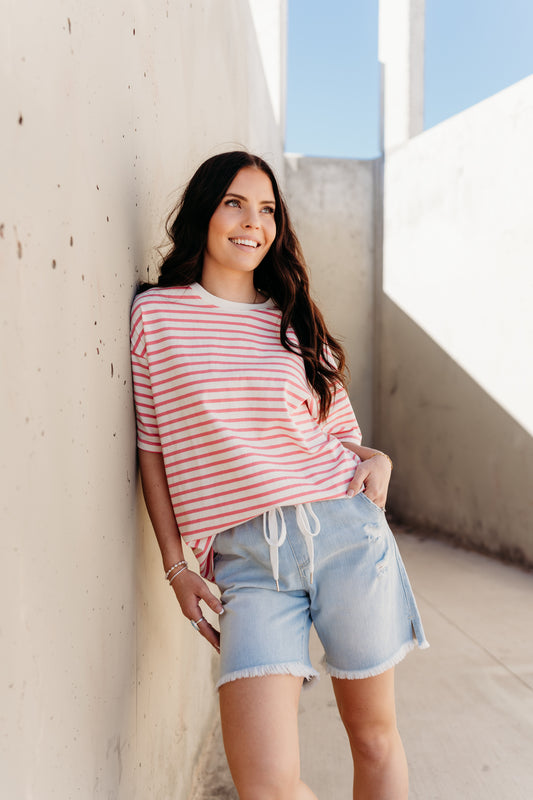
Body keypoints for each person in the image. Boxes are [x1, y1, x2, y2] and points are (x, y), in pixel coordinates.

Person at [130, 150, 428, 800]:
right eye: (234, 203)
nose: (252, 222)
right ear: (204, 212)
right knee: (264, 783)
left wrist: (378, 459)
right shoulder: (157, 316)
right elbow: (152, 449)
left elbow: (341, 440)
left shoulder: (295, 322)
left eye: (266, 209)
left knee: (374, 739)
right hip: (248, 562)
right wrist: (177, 567)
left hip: (347, 536)